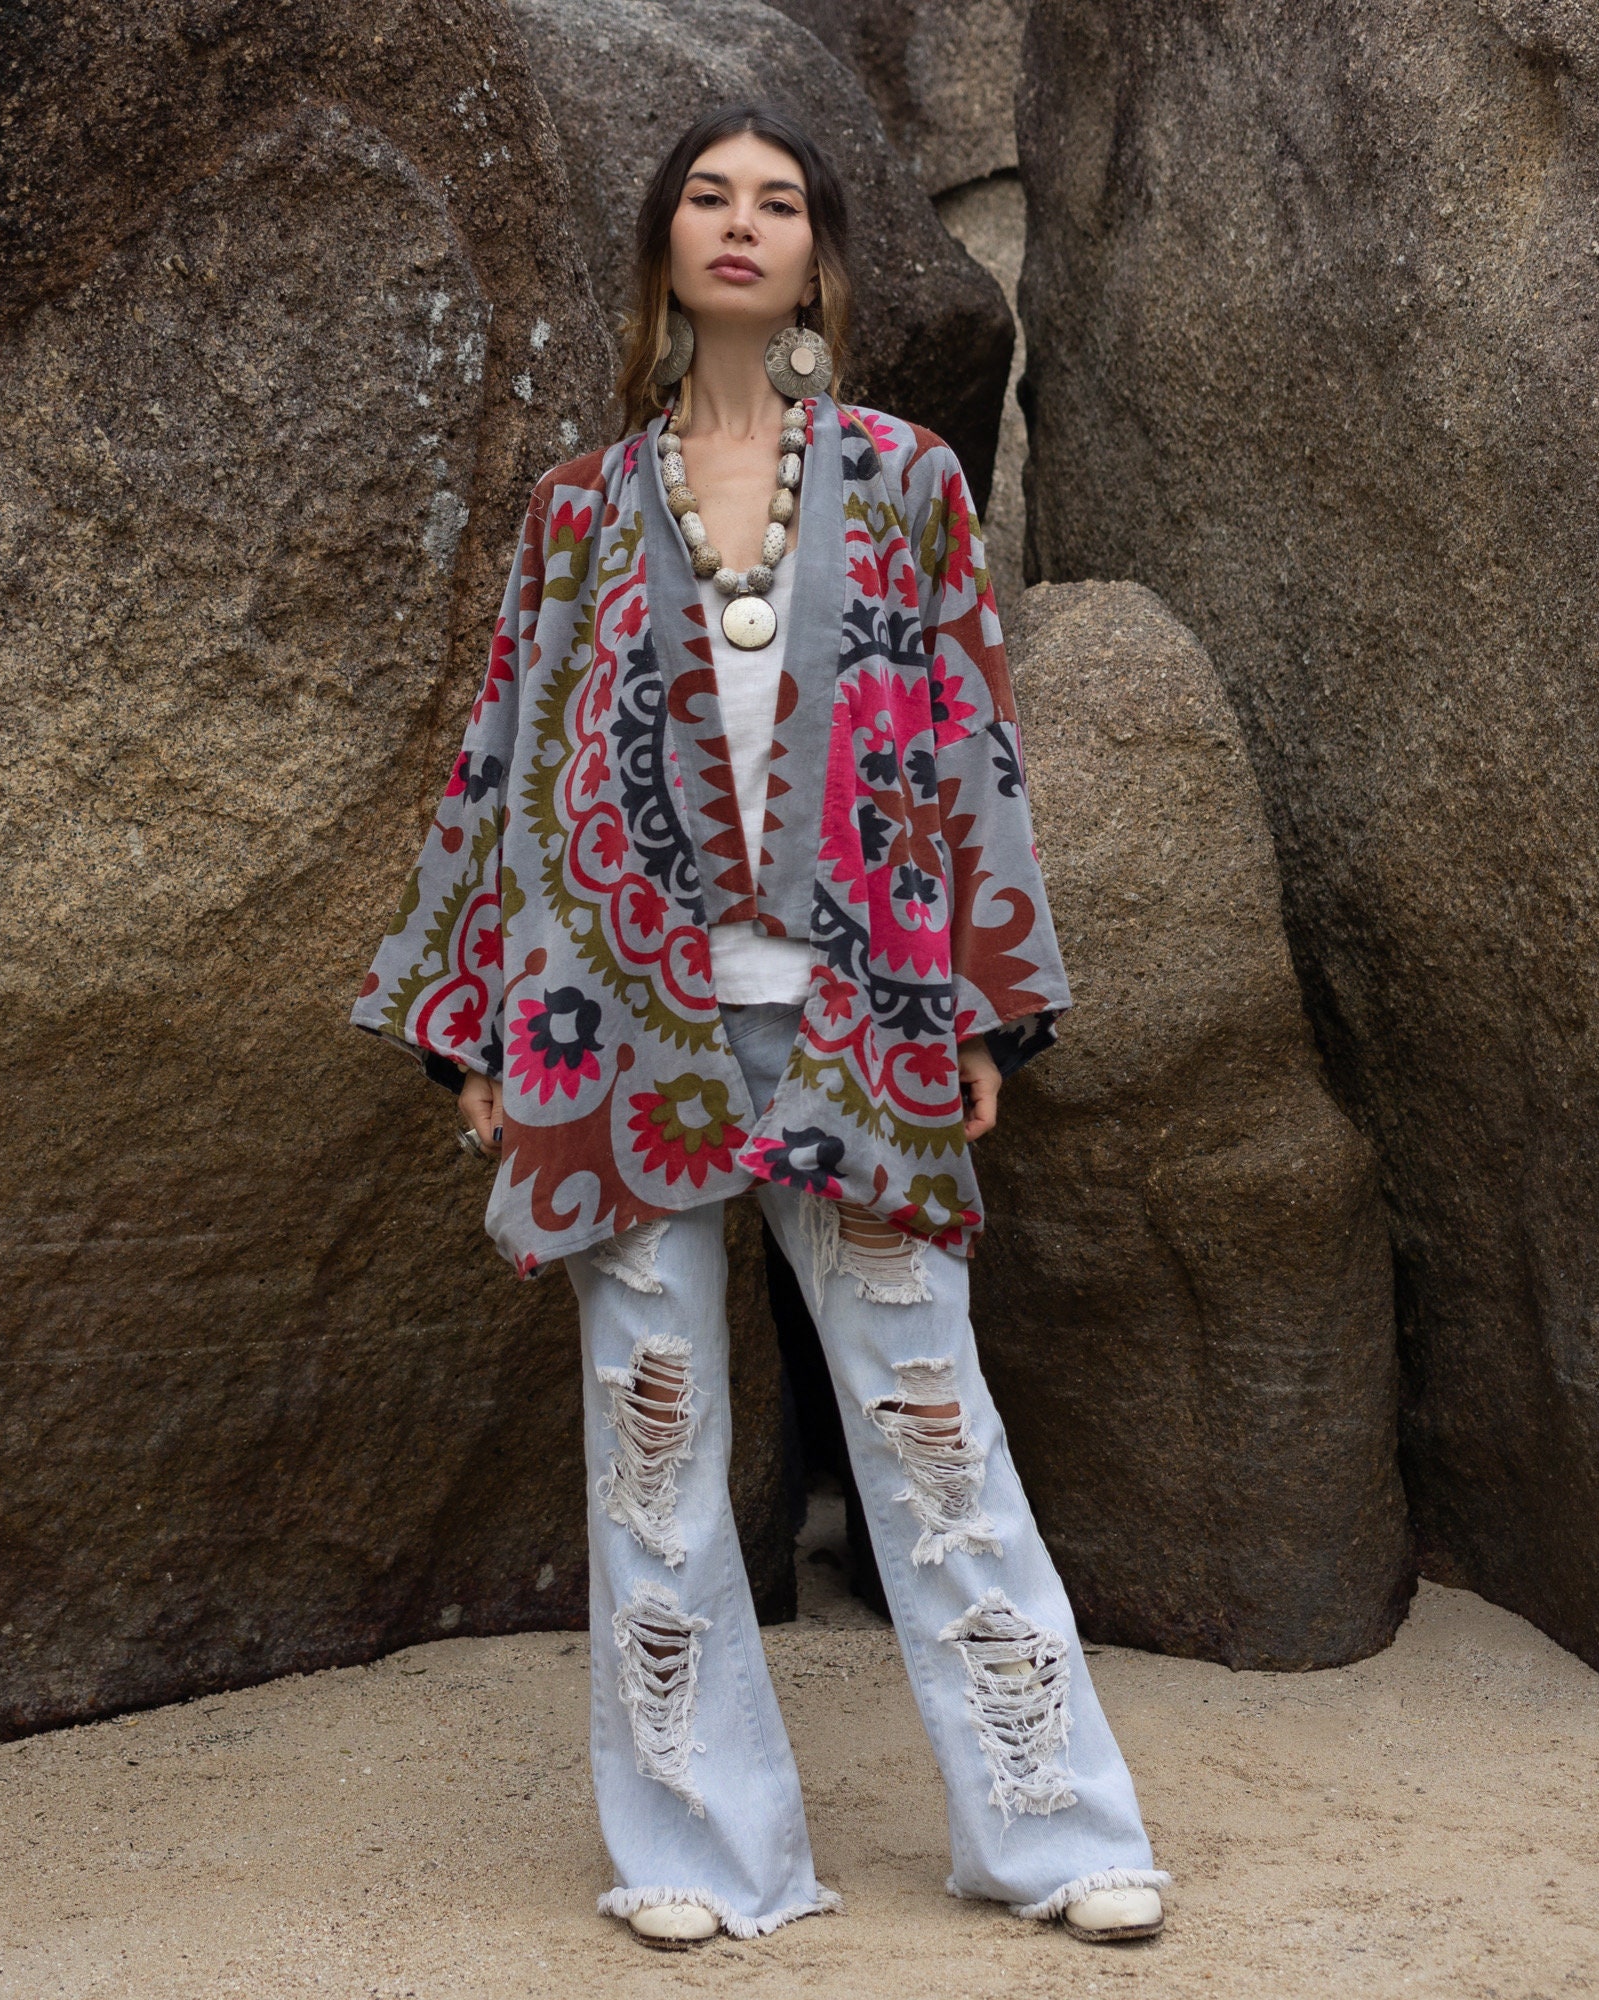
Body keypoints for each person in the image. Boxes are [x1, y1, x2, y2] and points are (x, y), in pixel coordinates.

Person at [352, 102, 1168, 1951]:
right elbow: (505, 753)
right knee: (653, 1450)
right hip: (619, 1031)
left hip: (861, 1024)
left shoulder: (904, 481)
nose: (741, 222)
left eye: (778, 202)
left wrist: (992, 1005)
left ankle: (1052, 1831)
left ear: (818, 258)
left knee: (931, 1421)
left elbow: (971, 740)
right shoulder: (576, 510)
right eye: (708, 197)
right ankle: (700, 1848)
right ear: (665, 246)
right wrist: (468, 1025)